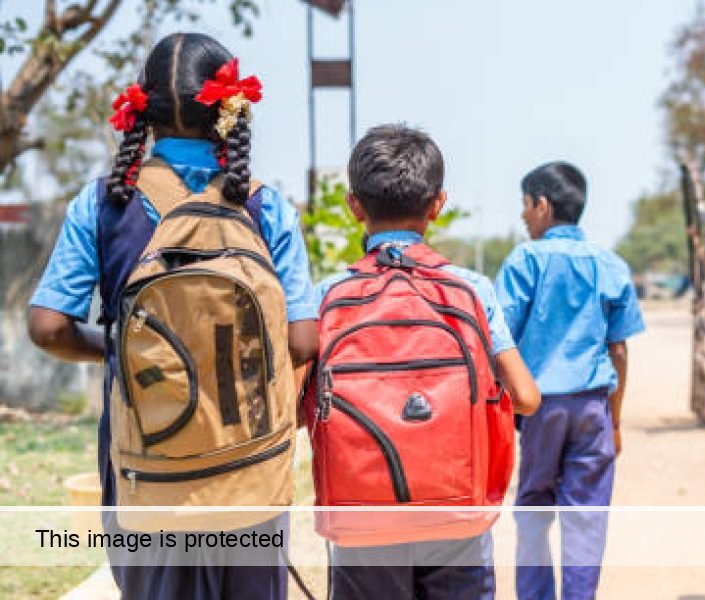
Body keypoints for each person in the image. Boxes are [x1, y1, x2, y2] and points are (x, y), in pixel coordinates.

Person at [26, 33, 318, 599]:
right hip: (248, 468)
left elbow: (48, 326)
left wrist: (117, 346)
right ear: (228, 112)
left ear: (143, 109)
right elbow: (303, 340)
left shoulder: (102, 203)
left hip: (145, 467)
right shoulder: (265, 207)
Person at [314, 124, 541, 600]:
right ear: (438, 204)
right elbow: (526, 397)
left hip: (363, 517)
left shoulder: (329, 297)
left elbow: (301, 406)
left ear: (355, 205)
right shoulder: (472, 289)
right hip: (455, 511)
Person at [495, 161, 645, 600]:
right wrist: (615, 422)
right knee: (587, 515)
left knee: (534, 512)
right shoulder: (610, 264)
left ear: (542, 205)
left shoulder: (524, 260)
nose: (523, 215)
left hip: (540, 407)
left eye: (525, 204)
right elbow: (619, 350)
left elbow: (499, 338)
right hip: (595, 409)